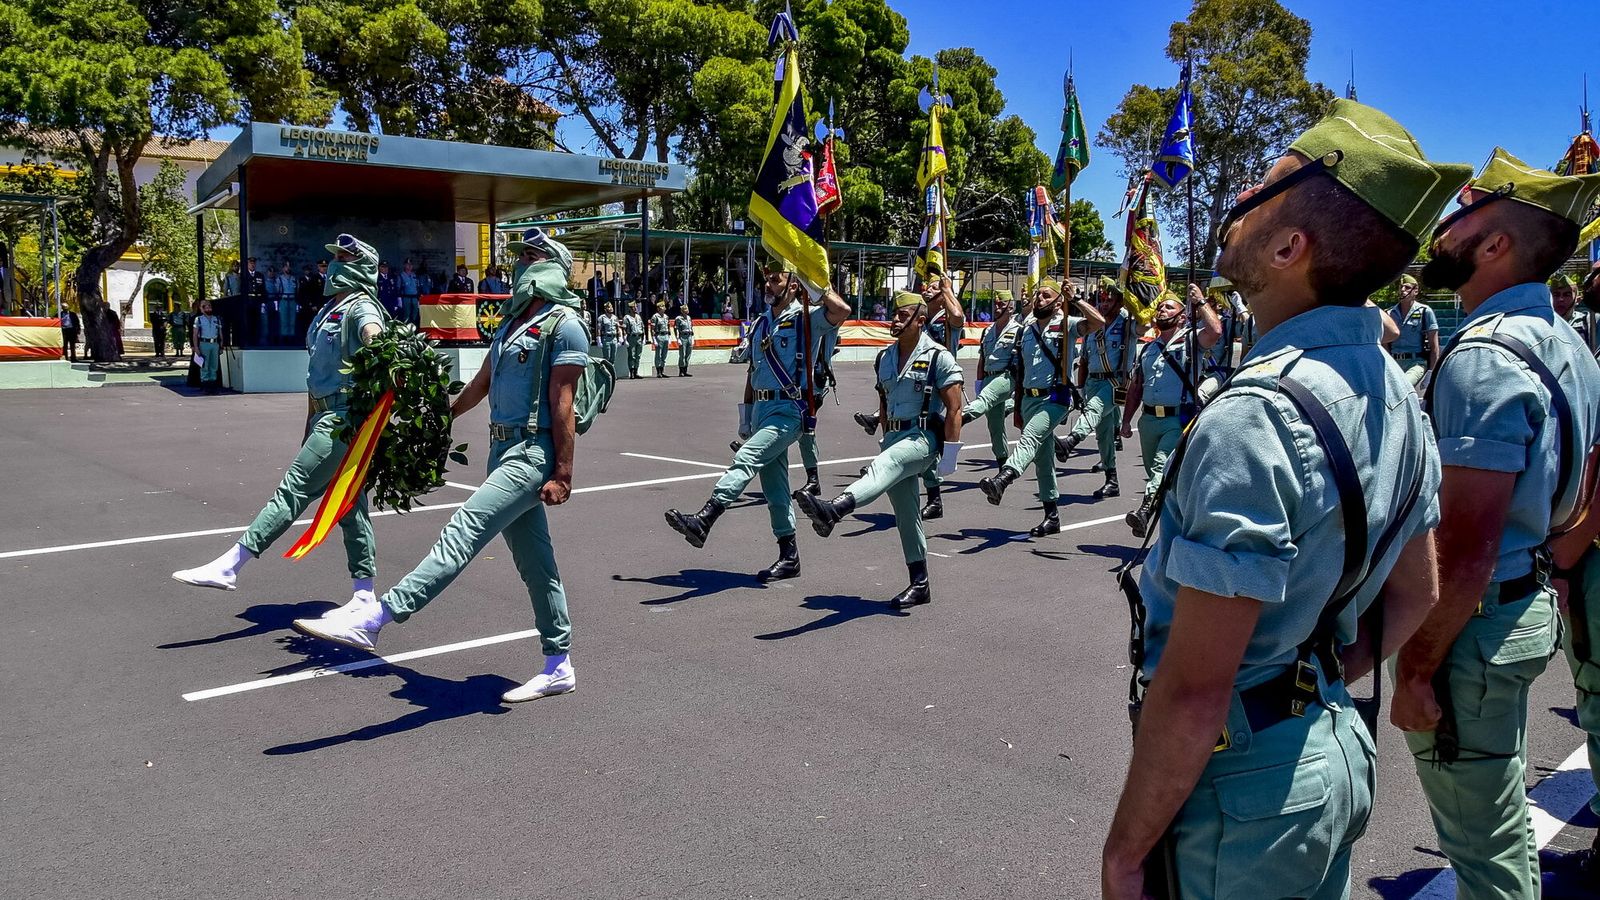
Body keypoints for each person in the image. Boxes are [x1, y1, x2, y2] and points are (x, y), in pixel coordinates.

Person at [1101, 97, 1461, 900]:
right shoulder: (1397, 389)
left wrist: (1124, 855)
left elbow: (1196, 691)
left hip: (1246, 786)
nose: (1235, 211)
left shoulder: (1255, 417)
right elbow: (1419, 592)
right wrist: (1314, 673)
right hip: (1326, 746)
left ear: (1291, 245)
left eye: (1257, 194)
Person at [1391, 147, 1600, 899]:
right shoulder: (1568, 343)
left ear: (1496, 242)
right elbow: (1583, 488)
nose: (1444, 230)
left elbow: (1466, 545)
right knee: (1500, 812)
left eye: (1463, 216)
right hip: (1520, 606)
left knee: (1484, 844)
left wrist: (1414, 670)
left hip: (1473, 628)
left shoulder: (1485, 357)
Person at [292, 229, 588, 702]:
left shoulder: (565, 323)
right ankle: (559, 664)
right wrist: (437, 418)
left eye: (533, 256)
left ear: (554, 264)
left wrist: (563, 473)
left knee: (464, 529)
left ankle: (377, 618)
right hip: (500, 451)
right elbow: (481, 384)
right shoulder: (513, 323)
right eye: (521, 257)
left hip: (533, 452)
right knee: (537, 565)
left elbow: (563, 399)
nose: (522, 265)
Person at [172, 234, 388, 609]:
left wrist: (378, 345)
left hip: (344, 418)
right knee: (351, 505)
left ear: (361, 267)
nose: (333, 262)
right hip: (323, 413)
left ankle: (231, 564)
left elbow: (376, 338)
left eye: (343, 257)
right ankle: (365, 593)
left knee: (294, 489)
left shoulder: (361, 307)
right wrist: (308, 423)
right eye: (333, 255)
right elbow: (314, 376)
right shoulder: (329, 309)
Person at [665, 269, 851, 580]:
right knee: (775, 487)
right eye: (766, 279)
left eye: (776, 279)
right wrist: (746, 418)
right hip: (762, 409)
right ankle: (789, 555)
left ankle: (706, 518)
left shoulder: (806, 319)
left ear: (793, 286)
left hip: (789, 409)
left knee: (747, 457)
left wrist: (813, 282)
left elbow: (841, 311)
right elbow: (753, 371)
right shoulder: (762, 322)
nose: (768, 284)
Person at [794, 284, 964, 608]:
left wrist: (950, 458)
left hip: (923, 438)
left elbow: (955, 407)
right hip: (896, 437)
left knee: (886, 466)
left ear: (920, 320)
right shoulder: (884, 357)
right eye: (894, 313)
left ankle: (835, 509)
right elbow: (884, 401)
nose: (895, 319)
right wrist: (885, 436)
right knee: (907, 513)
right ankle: (920, 583)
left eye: (902, 315)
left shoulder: (938, 357)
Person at [977, 278, 1105, 538]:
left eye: (1046, 296)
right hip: (1029, 399)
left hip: (1055, 398)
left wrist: (1076, 300)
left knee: (1030, 438)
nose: (1039, 300)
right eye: (1038, 296)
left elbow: (1098, 323)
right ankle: (1052, 516)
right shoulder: (1027, 328)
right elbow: (1021, 369)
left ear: (1059, 301)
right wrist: (1018, 408)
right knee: (1043, 460)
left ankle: (1004, 479)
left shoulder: (1067, 324)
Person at [1119, 288, 1222, 537]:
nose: (1161, 310)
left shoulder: (1191, 340)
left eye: (1169, 307)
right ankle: (1175, 533)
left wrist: (1200, 302)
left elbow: (1215, 332)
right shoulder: (1148, 349)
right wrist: (1126, 421)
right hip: (1149, 420)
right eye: (1160, 307)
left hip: (1177, 419)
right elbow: (1136, 387)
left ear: (1182, 317)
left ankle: (1144, 511)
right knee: (1165, 480)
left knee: (1159, 468)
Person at [1055, 278, 1131, 498]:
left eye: (1110, 299)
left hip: (1114, 382)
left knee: (1095, 410)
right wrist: (1079, 389)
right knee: (1104, 434)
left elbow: (1145, 325)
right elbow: (1085, 361)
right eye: (1103, 299)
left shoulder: (1127, 322)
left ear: (1120, 301)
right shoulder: (1094, 324)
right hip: (1092, 382)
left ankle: (1072, 440)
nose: (1105, 304)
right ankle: (1112, 479)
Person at [960, 288, 1025, 469]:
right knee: (995, 426)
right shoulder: (988, 330)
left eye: (1001, 304)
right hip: (989, 377)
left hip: (1006, 377)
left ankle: (961, 418)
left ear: (1010, 308)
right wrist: (979, 381)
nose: (997, 307)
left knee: (985, 399)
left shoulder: (1019, 331)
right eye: (996, 304)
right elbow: (983, 358)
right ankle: (1003, 463)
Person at [1386, 273, 1439, 386]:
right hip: (1394, 363)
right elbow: (1384, 343)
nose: (1403, 290)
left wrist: (1431, 372)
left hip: (1416, 362)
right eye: (1401, 287)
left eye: (1407, 287)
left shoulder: (1425, 311)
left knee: (1404, 385)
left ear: (1415, 291)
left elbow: (1434, 346)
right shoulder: (1389, 313)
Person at [191, 299, 223, 392]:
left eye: (209, 306)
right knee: (205, 364)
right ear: (201, 308)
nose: (208, 308)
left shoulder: (216, 319)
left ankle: (213, 383)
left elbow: (220, 332)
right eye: (205, 306)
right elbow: (195, 334)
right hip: (204, 343)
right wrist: (196, 347)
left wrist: (221, 345)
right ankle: (205, 383)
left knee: (214, 365)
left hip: (215, 343)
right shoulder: (199, 319)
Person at [244, 257, 268, 346]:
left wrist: (263, 302)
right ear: (247, 264)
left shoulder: (259, 275)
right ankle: (249, 341)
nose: (252, 265)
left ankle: (256, 340)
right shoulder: (244, 275)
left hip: (257, 301)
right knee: (249, 322)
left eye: (253, 263)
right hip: (249, 301)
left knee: (257, 322)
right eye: (250, 263)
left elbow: (263, 289)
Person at [623, 302, 645, 379]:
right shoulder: (627, 317)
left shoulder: (638, 317)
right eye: (633, 307)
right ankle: (632, 372)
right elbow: (625, 329)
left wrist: (644, 338)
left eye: (635, 307)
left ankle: (636, 371)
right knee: (631, 355)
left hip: (639, 337)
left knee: (638, 356)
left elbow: (642, 327)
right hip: (631, 337)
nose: (635, 308)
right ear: (630, 308)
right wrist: (625, 339)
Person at [650, 301, 671, 378]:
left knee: (664, 354)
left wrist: (669, 336)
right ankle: (658, 371)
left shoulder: (666, 316)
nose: (664, 308)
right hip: (659, 336)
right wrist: (654, 339)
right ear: (658, 308)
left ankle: (662, 370)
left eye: (664, 306)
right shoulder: (655, 317)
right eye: (662, 307)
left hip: (665, 335)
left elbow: (668, 327)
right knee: (658, 354)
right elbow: (652, 329)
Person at [398, 259, 422, 327]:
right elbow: (398, 288)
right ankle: (406, 330)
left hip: (414, 298)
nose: (409, 266)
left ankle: (414, 329)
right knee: (406, 315)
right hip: (406, 298)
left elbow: (418, 286)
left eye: (411, 265)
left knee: (415, 314)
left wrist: (418, 297)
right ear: (404, 265)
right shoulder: (401, 275)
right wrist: (399, 299)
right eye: (407, 265)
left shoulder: (415, 275)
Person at [673, 302, 695, 376]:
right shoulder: (678, 318)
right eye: (685, 309)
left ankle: (685, 370)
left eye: (687, 309)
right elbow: (676, 329)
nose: (687, 310)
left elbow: (691, 327)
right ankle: (681, 370)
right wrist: (678, 338)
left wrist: (693, 337)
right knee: (682, 354)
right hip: (683, 337)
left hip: (689, 336)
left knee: (688, 354)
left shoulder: (689, 318)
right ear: (682, 311)